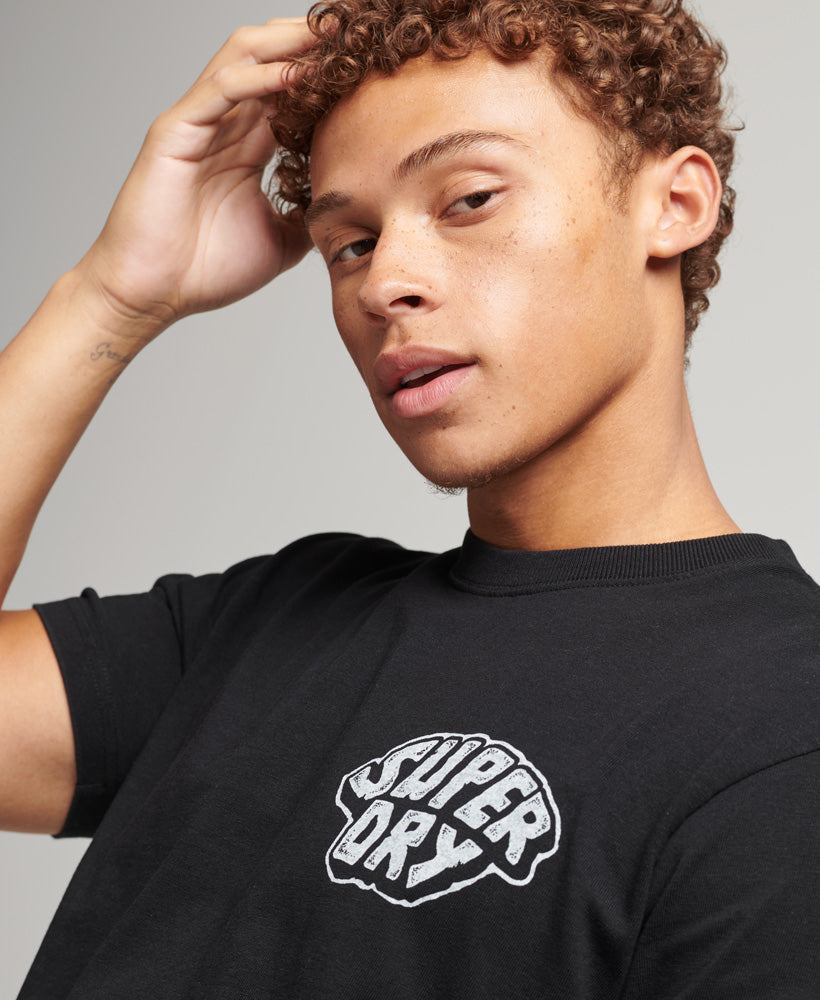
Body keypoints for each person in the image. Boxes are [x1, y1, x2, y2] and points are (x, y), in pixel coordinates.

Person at [1, 0, 818, 996]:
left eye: (469, 198)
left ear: (676, 203)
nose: (385, 280)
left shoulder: (784, 724)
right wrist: (111, 296)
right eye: (349, 242)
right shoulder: (275, 620)